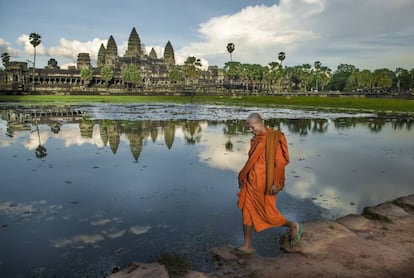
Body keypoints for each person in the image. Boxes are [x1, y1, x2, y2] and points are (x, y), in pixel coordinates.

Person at [235, 112, 302, 254]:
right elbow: (252, 161)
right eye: (249, 128)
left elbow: (280, 163)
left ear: (260, 123)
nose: (251, 130)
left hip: (265, 185)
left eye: (252, 127)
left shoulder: (273, 139)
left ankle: (292, 225)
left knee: (269, 214)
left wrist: (277, 182)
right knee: (246, 213)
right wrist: (243, 176)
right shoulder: (256, 140)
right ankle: (247, 246)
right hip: (251, 183)